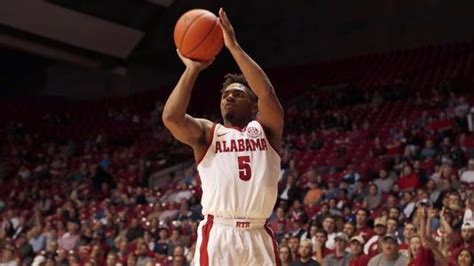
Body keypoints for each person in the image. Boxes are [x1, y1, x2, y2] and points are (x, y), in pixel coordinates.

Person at [162, 8, 284, 266]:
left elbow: (267, 93)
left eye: (238, 94)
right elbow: (171, 118)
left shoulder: (267, 130)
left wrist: (234, 47)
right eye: (225, 94)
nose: (229, 97)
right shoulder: (209, 133)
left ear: (253, 106)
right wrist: (192, 70)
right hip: (220, 232)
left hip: (258, 233)